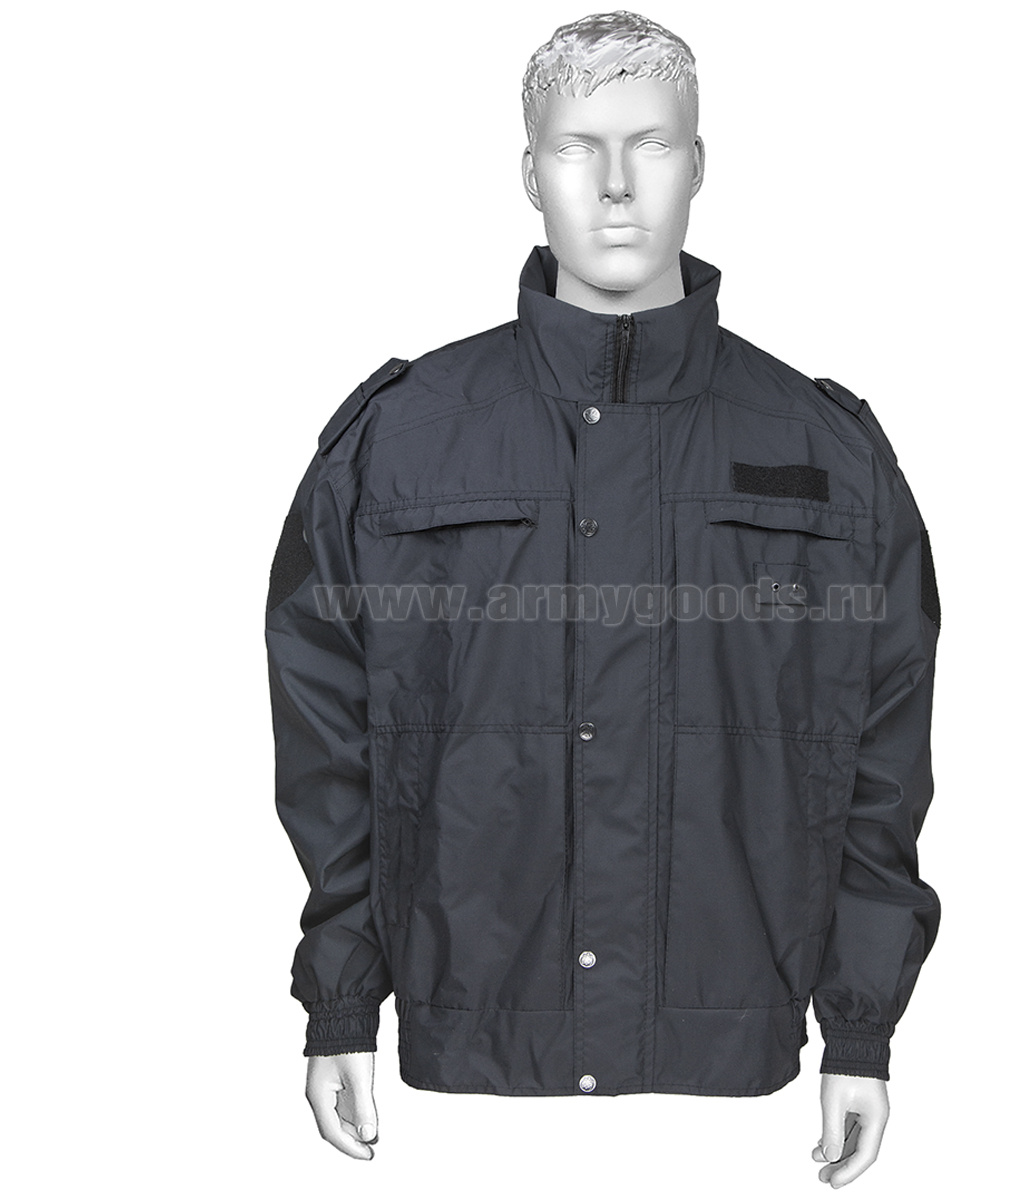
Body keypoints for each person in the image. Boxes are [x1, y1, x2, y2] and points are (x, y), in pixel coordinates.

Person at [265, 10, 941, 1188]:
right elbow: (329, 752)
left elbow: (882, 766)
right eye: (579, 146)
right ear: (531, 174)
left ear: (699, 164)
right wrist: (340, 1005)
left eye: (652, 144)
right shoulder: (404, 442)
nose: (617, 184)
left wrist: (862, 1032)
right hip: (463, 1098)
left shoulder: (824, 451)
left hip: (739, 1099)